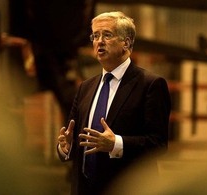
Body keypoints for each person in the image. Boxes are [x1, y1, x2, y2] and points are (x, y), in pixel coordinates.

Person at [57, 11, 171, 195]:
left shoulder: (150, 85)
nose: (99, 41)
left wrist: (116, 144)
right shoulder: (85, 87)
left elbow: (158, 145)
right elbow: (73, 140)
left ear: (126, 43)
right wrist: (65, 147)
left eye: (107, 35)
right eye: (95, 35)